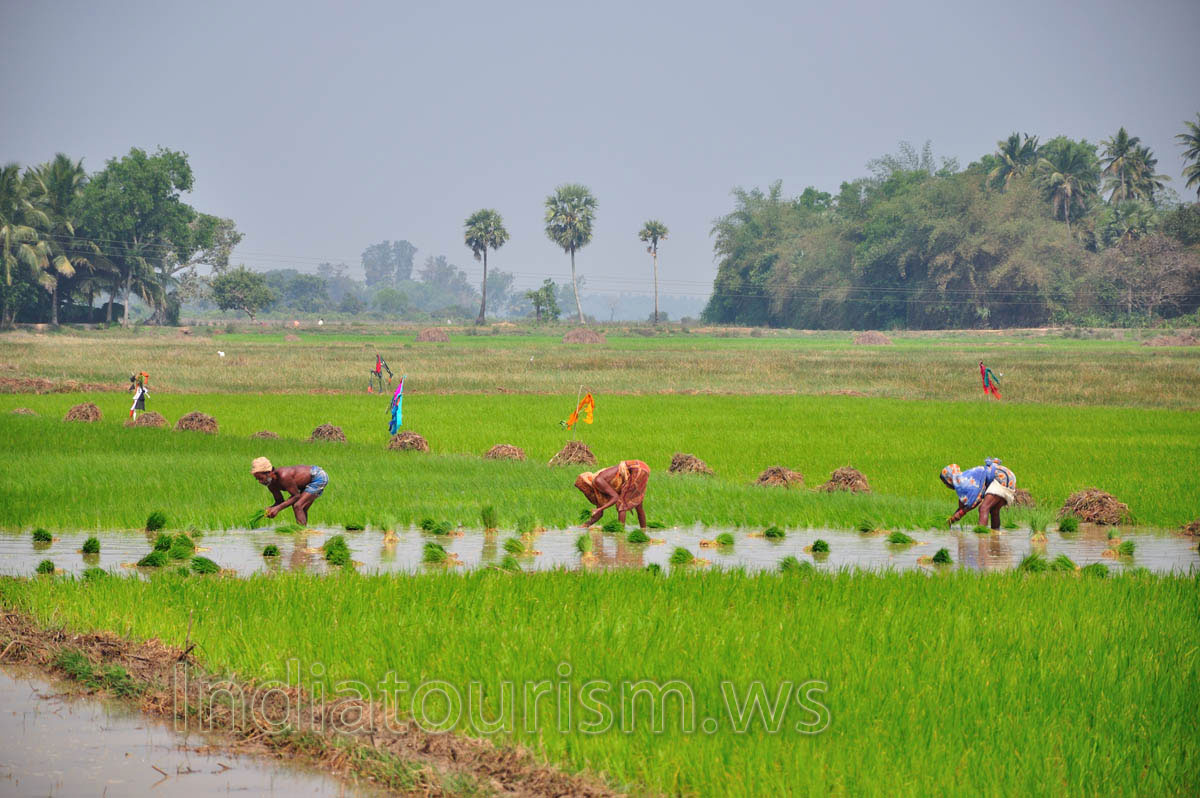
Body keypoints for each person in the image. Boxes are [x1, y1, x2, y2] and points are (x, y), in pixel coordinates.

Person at [941, 457, 1016, 530]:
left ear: (950, 479)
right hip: (1007, 476)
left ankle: (982, 537)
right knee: (994, 510)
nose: (947, 486)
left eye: (945, 483)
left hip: (1001, 476)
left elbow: (975, 500)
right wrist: (951, 520)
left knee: (983, 508)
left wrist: (960, 513)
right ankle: (995, 535)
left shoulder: (964, 481)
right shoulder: (964, 480)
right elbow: (964, 505)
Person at [251, 457, 328, 526]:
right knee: (301, 507)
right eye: (257, 479)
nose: (260, 482)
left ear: (269, 473)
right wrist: (270, 509)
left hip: (317, 476)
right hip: (305, 483)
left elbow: (296, 496)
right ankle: (303, 534)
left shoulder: (284, 476)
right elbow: (279, 501)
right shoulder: (271, 484)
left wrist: (277, 509)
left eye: (261, 478)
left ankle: (301, 534)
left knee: (298, 505)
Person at [576, 460, 651, 529]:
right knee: (638, 505)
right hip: (642, 468)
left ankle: (620, 533)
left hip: (637, 470)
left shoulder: (598, 481)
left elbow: (615, 498)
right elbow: (599, 514)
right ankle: (643, 531)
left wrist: (600, 509)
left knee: (621, 504)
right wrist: (585, 525)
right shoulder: (599, 490)